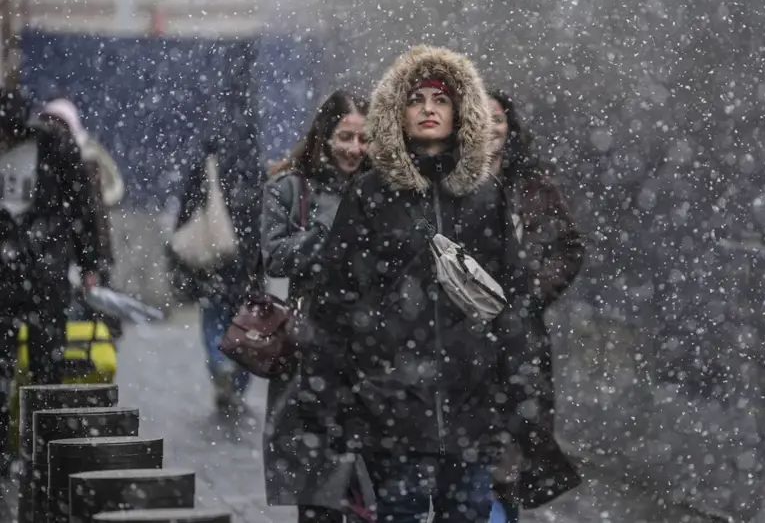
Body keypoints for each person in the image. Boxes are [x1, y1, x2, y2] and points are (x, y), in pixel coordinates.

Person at [303, 46, 547, 522]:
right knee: (400, 513)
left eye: (441, 99)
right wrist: (339, 389)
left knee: (470, 512)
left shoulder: (484, 195)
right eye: (417, 99)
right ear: (399, 111)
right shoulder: (371, 194)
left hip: (472, 402)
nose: (430, 109)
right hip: (390, 404)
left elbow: (515, 299)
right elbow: (336, 295)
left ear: (461, 112)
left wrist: (519, 387)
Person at [260, 90, 372, 523]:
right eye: (345, 136)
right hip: (308, 354)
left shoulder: (384, 189)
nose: (354, 149)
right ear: (325, 135)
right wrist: (331, 225)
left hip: (371, 357)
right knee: (318, 496)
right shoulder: (289, 188)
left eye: (364, 139)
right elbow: (277, 257)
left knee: (369, 493)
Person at [486, 90, 585, 521]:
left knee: (510, 451)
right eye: (481, 117)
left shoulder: (533, 186)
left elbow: (568, 246)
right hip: (454, 337)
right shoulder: (445, 179)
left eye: (498, 118)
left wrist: (531, 292)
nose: (491, 126)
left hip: (515, 337)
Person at [0, 87, 102, 471]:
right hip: (14, 276)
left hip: (44, 273)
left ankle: (41, 451)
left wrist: (89, 261)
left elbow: (81, 203)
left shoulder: (53, 147)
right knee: (9, 367)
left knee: (46, 368)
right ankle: (13, 450)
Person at [168, 135, 259, 411]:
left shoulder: (203, 168)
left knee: (213, 318)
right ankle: (239, 383)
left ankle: (221, 366)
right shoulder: (252, 168)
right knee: (246, 326)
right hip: (247, 263)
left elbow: (186, 211)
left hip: (213, 260)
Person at [37, 96, 126, 335]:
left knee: (79, 319)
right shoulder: (41, 155)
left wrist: (92, 264)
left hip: (65, 251)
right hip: (53, 255)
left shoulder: (83, 158)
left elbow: (93, 212)